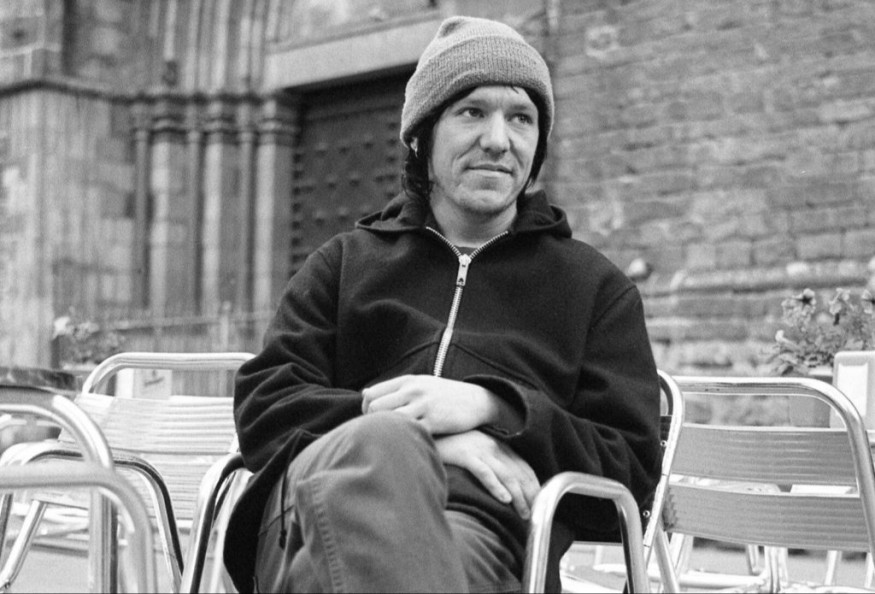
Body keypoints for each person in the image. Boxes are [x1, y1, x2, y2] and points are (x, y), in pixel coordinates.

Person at [224, 15, 661, 593]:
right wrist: (421, 439)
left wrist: (494, 407)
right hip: (307, 513)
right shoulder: (345, 263)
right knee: (383, 444)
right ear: (421, 137)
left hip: (479, 537)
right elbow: (265, 407)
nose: (499, 140)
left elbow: (629, 470)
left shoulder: (594, 290)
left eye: (521, 118)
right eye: (472, 112)